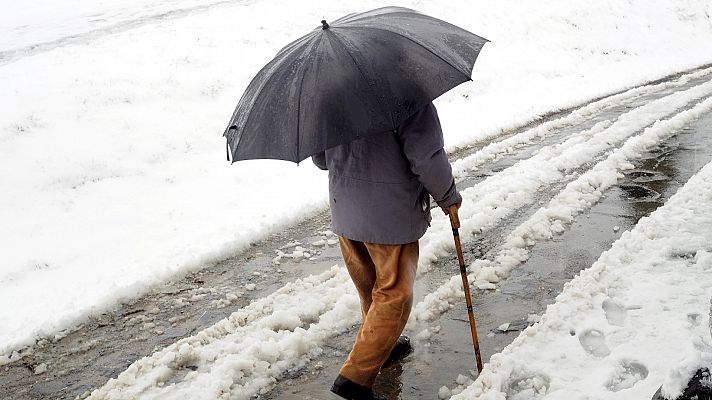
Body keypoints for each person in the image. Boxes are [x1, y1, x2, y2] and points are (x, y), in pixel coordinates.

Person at [312, 102, 461, 400]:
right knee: (394, 294)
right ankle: (354, 380)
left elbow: (320, 159)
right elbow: (426, 157)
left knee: (370, 287)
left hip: (346, 210)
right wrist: (447, 196)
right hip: (389, 215)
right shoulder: (407, 95)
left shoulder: (332, 95)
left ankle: (385, 345)